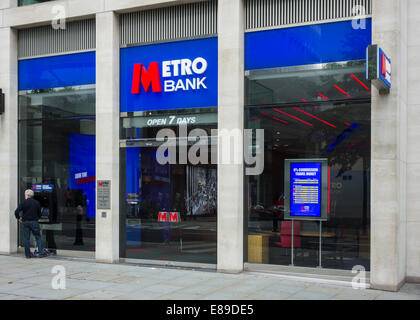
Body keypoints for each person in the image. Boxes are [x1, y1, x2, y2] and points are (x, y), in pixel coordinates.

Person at [14, 189, 48, 259]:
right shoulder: (36, 203)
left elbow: (16, 211)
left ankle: (28, 255)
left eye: (25, 194)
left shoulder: (23, 202)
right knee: (38, 237)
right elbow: (40, 213)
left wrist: (19, 218)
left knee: (26, 239)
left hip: (25, 222)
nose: (24, 195)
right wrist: (37, 218)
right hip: (34, 222)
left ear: (27, 195)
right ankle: (41, 253)